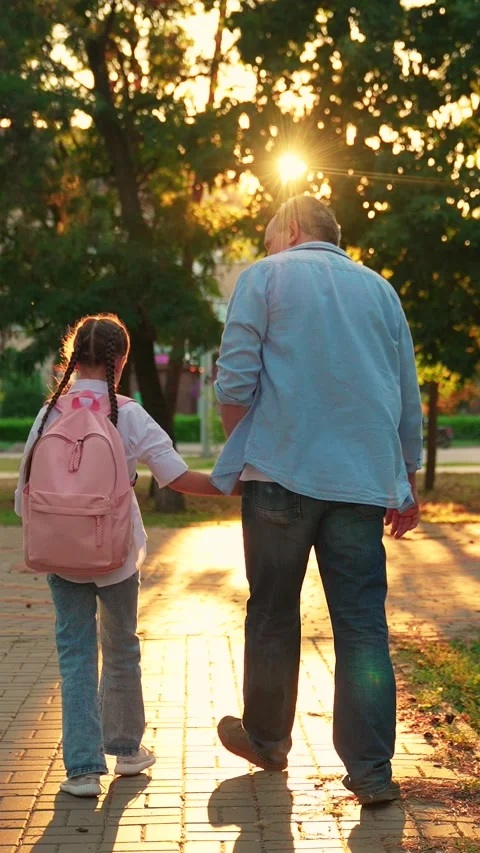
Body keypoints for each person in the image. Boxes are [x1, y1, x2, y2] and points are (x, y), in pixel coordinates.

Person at [210, 195, 422, 805]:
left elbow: (234, 380)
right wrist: (406, 477)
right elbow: (405, 390)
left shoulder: (264, 277)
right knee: (362, 623)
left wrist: (249, 446)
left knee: (273, 612)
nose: (267, 247)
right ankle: (372, 770)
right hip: (361, 483)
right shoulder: (381, 291)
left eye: (270, 237)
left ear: (293, 228)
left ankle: (267, 740)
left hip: (280, 474)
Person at [15, 314, 230, 798]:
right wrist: (237, 488)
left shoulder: (49, 414)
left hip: (60, 557)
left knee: (75, 656)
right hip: (116, 556)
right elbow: (176, 477)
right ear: (122, 360)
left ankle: (82, 771)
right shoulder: (129, 414)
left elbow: (23, 494)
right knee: (121, 649)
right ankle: (127, 751)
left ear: (72, 358)